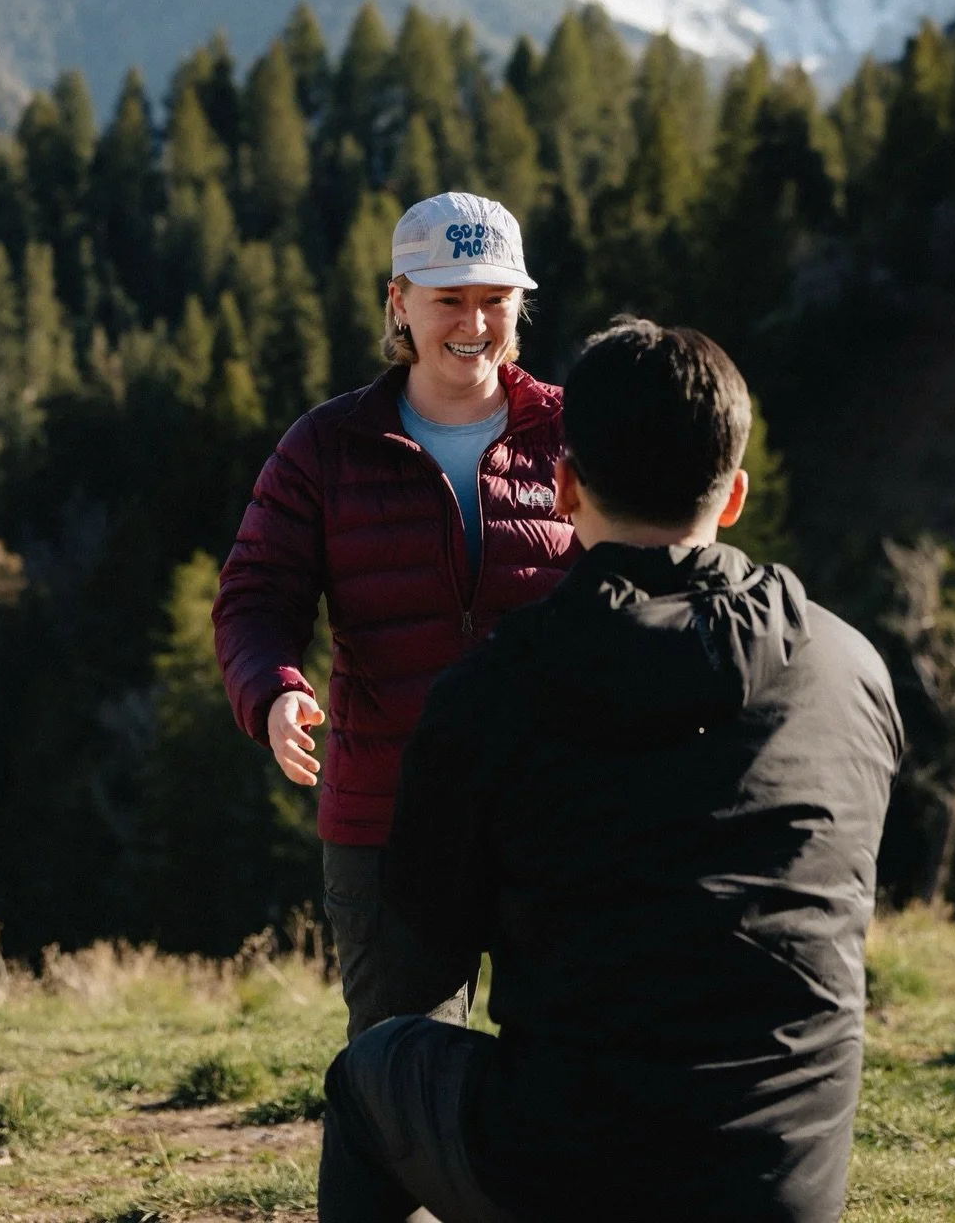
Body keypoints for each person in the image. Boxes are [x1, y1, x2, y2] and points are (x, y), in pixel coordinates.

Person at [318, 318, 904, 1223]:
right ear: (736, 493)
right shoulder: (849, 666)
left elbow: (429, 922)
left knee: (370, 1074)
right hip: (784, 1188)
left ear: (563, 486)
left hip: (568, 1175)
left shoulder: (492, 690)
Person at [213, 190, 577, 1039]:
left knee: (570, 1074)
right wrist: (271, 695)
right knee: (399, 1076)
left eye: (495, 299)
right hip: (388, 819)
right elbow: (256, 598)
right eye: (449, 298)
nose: (475, 323)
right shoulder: (325, 446)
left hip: (554, 813)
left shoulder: (573, 432)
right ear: (399, 302)